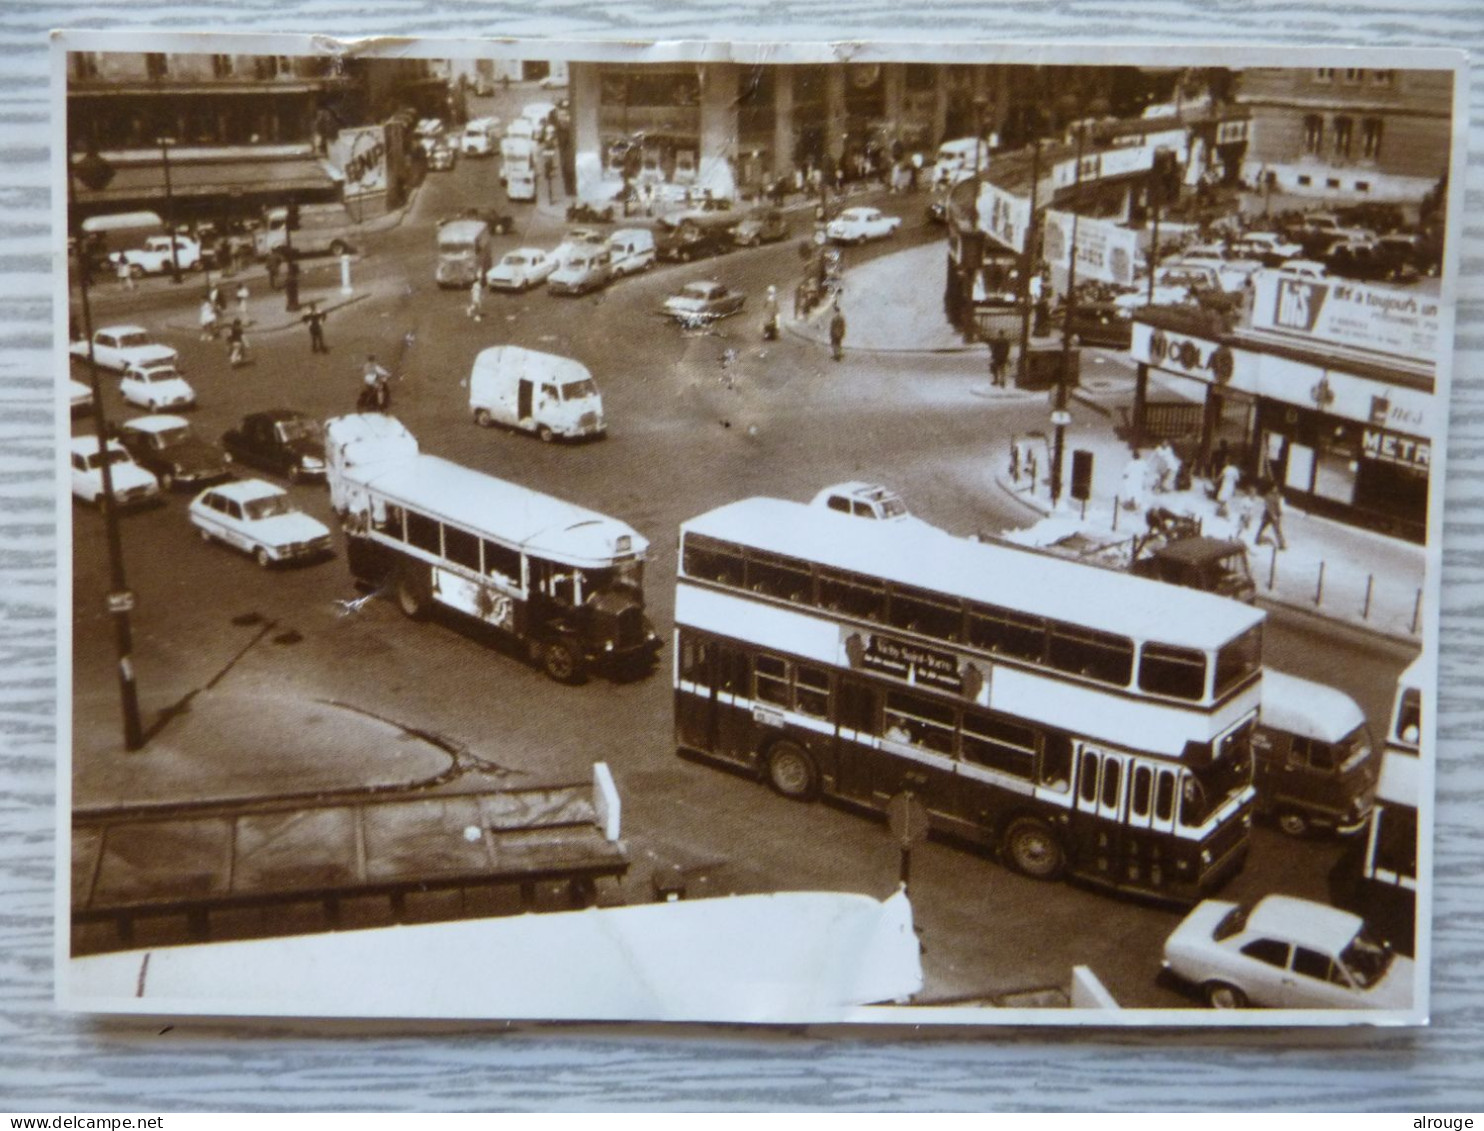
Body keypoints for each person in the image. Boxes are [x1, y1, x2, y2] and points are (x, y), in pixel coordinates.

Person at [1255, 480, 1287, 550]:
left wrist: (1279, 514)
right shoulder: (1268, 495)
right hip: (1268, 515)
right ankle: (1257, 539)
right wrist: (1273, 515)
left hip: (1275, 515)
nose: (1276, 489)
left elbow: (1278, 506)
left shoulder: (1278, 496)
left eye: (1277, 488)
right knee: (1262, 528)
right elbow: (1269, 507)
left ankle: (1281, 544)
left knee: (1278, 530)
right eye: (1275, 487)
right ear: (1272, 488)